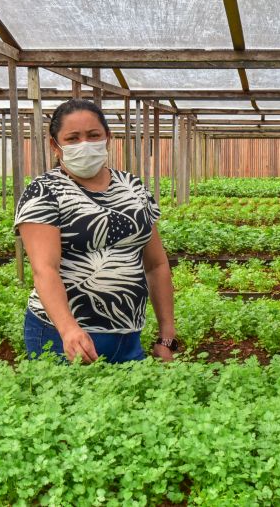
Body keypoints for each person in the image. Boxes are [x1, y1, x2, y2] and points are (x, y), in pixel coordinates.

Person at [15, 99, 177, 363]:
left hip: (128, 336)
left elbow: (156, 265)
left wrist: (167, 335)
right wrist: (68, 329)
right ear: (55, 145)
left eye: (93, 136)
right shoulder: (44, 191)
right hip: (63, 337)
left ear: (107, 138)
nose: (84, 145)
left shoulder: (133, 187)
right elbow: (45, 269)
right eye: (72, 138)